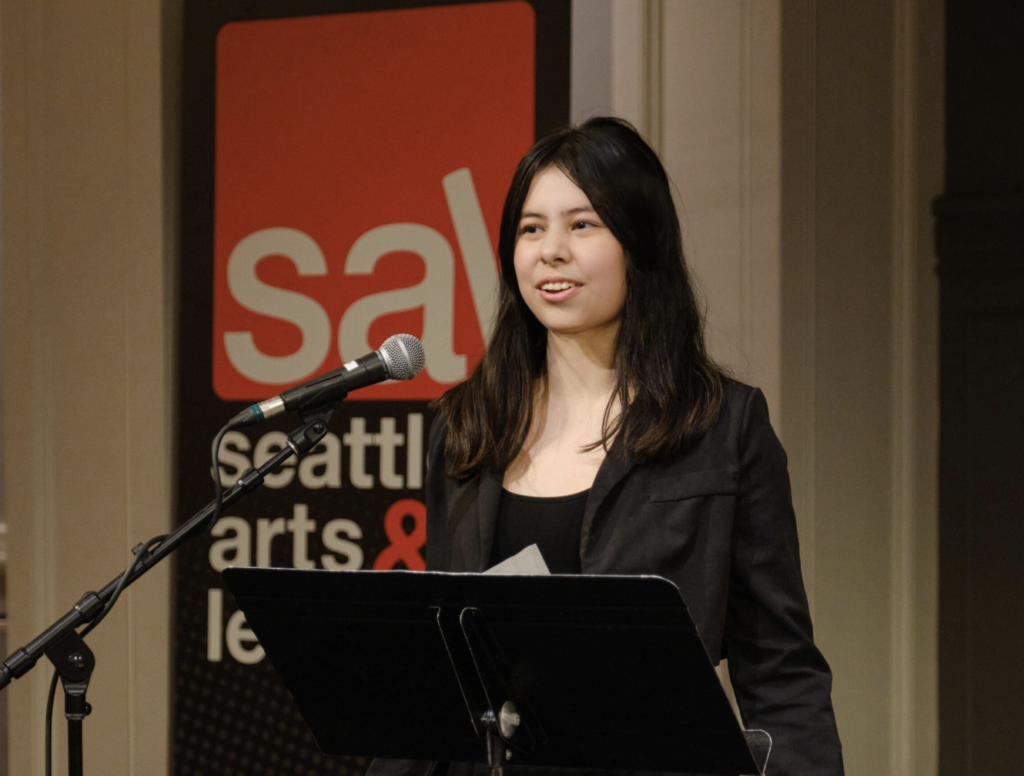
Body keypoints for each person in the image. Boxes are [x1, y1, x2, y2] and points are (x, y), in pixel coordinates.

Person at [371, 117, 843, 776]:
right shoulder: (467, 424)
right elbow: (449, 664)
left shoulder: (723, 426)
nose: (550, 251)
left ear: (640, 241)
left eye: (582, 225)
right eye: (531, 228)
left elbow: (781, 672)